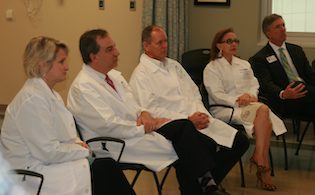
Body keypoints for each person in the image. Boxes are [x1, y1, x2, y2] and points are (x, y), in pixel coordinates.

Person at [67, 28, 239, 195]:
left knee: (195, 137)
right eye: (110, 49)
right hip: (117, 142)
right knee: (188, 141)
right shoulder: (84, 87)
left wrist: (144, 114)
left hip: (140, 128)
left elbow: (134, 104)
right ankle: (205, 187)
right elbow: (108, 125)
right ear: (93, 56)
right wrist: (145, 126)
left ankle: (203, 187)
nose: (117, 52)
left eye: (115, 47)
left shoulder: (114, 76)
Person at [0, 36, 134, 195]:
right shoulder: (31, 100)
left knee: (105, 166)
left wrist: (78, 145)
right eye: (61, 62)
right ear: (43, 65)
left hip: (49, 164)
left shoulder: (50, 95)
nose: (67, 67)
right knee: (103, 169)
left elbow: (65, 136)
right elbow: (47, 152)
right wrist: (84, 151)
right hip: (32, 173)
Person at [129, 25, 249, 190]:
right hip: (172, 125)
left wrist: (201, 113)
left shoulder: (174, 65)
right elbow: (151, 110)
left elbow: (194, 92)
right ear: (146, 45)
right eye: (159, 43)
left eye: (166, 41)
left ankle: (202, 186)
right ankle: (202, 187)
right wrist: (188, 119)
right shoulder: (141, 74)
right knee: (206, 145)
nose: (165, 46)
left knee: (240, 142)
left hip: (195, 117)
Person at [203, 28, 288, 191]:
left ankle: (259, 157)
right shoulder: (212, 68)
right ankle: (262, 165)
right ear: (219, 45)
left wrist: (250, 95)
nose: (234, 44)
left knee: (262, 113)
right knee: (264, 114)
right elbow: (216, 94)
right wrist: (237, 100)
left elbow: (254, 84)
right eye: (229, 41)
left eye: (236, 41)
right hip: (226, 109)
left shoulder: (244, 64)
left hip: (250, 105)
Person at [249, 14, 315, 119]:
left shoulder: (297, 50)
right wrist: (283, 93)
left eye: (283, 25)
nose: (283, 29)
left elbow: (310, 75)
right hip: (284, 98)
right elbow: (266, 84)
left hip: (306, 91)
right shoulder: (260, 58)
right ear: (268, 33)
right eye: (278, 27)